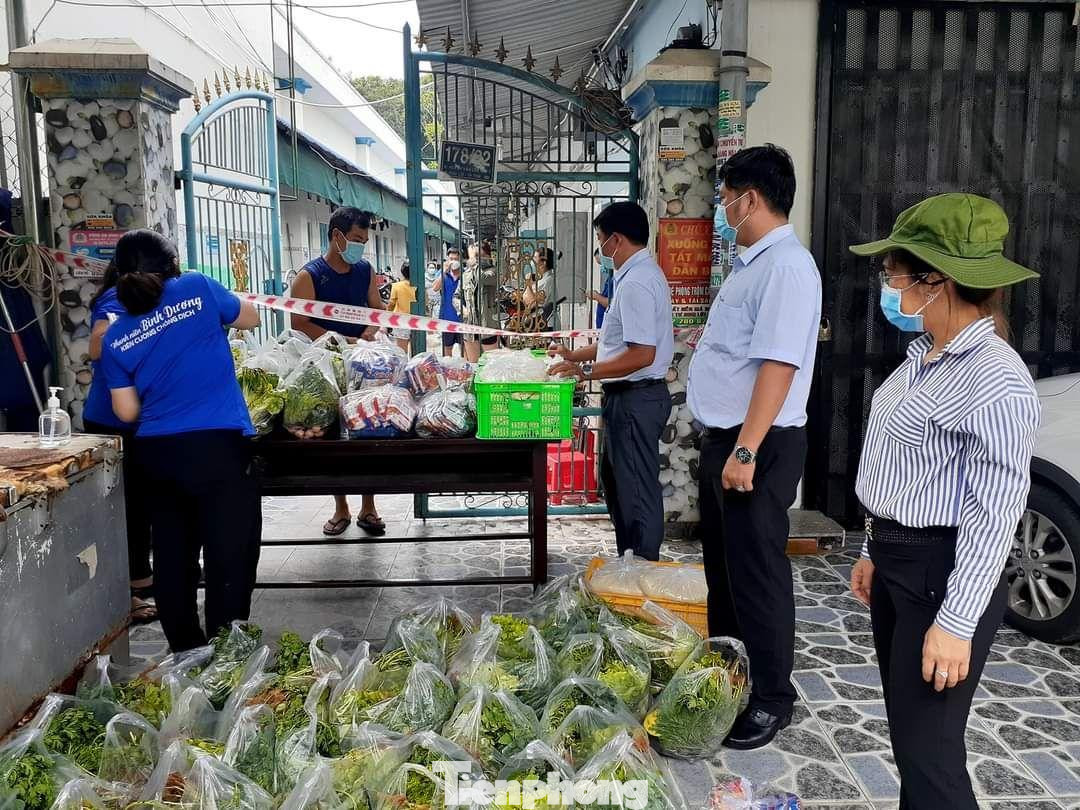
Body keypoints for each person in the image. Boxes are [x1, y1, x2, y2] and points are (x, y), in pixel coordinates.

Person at [848, 194, 1040, 809]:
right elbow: (901, 470)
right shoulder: (923, 358)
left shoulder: (996, 379)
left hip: (943, 573)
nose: (889, 285)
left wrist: (956, 625)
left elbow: (995, 511)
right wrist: (873, 549)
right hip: (899, 564)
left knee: (931, 760)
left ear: (938, 280)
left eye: (894, 274)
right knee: (911, 743)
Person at [686, 144, 821, 749]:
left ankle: (770, 697)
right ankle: (731, 675)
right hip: (730, 442)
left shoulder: (788, 268)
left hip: (757, 447)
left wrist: (745, 451)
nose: (721, 211)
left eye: (724, 201)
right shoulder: (752, 266)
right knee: (726, 572)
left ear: (750, 199)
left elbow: (779, 366)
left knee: (758, 574)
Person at [99, 229, 262, 652]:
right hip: (217, 449)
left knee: (173, 558)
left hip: (156, 454)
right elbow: (251, 317)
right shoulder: (196, 288)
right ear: (172, 265)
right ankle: (225, 654)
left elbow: (127, 413)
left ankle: (187, 654)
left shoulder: (116, 337)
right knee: (230, 553)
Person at [550, 202, 674, 560]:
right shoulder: (634, 277)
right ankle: (629, 561)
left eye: (600, 241)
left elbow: (641, 355)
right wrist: (574, 356)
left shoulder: (637, 282)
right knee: (619, 486)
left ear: (617, 240)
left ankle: (640, 571)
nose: (600, 250)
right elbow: (613, 342)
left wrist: (586, 373)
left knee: (635, 493)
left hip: (636, 398)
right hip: (629, 397)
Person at [290, 206, 386, 538]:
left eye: (364, 240)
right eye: (357, 239)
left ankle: (369, 506)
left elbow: (376, 308)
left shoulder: (364, 270)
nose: (361, 246)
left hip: (362, 366)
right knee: (333, 437)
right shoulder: (309, 276)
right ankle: (341, 506)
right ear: (337, 235)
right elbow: (299, 324)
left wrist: (386, 324)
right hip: (325, 369)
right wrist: (347, 339)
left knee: (366, 432)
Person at [84, 265, 157, 625]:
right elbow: (96, 346)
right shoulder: (117, 297)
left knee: (142, 503)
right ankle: (132, 588)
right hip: (113, 420)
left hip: (136, 417)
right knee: (128, 507)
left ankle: (143, 578)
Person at [433, 249, 464, 357]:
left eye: (456, 259)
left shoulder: (465, 274)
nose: (453, 261)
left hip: (462, 318)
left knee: (464, 349)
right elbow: (435, 288)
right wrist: (444, 271)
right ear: (447, 259)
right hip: (447, 318)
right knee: (447, 350)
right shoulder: (444, 274)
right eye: (451, 259)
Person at [388, 262, 416, 353]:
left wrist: (387, 315)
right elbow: (425, 302)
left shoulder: (396, 286)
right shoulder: (418, 286)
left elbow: (391, 303)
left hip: (401, 321)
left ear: (402, 272)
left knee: (402, 351)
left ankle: (403, 367)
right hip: (417, 321)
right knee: (415, 351)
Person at [524, 247, 556, 326]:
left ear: (543, 262)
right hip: (535, 321)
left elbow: (531, 302)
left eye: (535, 258)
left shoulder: (547, 281)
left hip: (543, 323)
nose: (533, 261)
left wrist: (528, 284)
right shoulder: (541, 279)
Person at [589, 248, 614, 328]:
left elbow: (611, 303)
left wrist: (596, 296)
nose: (602, 267)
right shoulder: (609, 278)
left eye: (602, 263)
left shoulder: (615, 279)